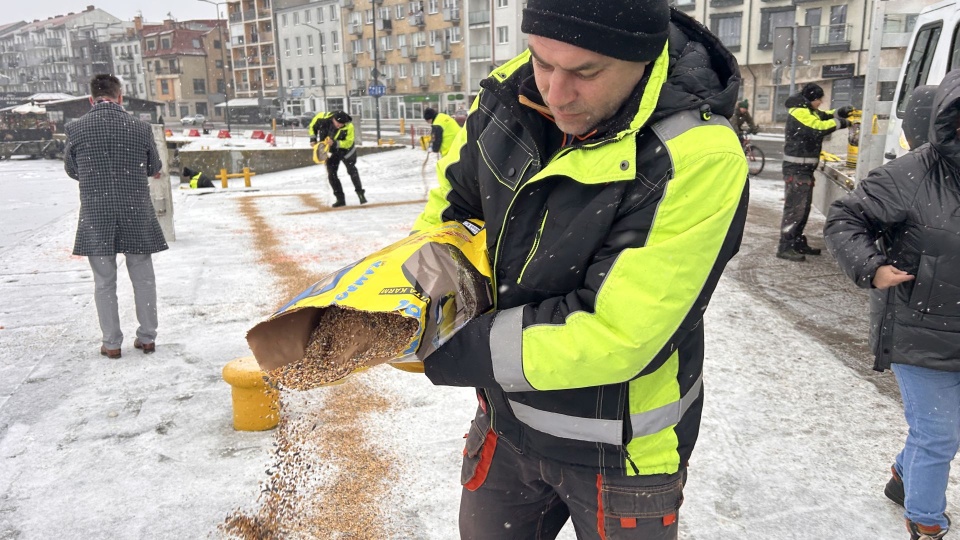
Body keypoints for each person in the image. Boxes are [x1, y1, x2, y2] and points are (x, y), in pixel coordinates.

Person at [410, 0, 749, 537]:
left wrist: (446, 348)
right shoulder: (505, 94)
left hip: (622, 453)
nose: (555, 91)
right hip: (504, 423)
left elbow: (618, 333)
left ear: (642, 58)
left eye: (586, 72)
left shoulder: (697, 155)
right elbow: (451, 218)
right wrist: (412, 303)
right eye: (542, 61)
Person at [824, 72, 960, 540]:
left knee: (940, 428)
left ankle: (904, 475)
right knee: (938, 433)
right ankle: (926, 522)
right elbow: (845, 218)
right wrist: (873, 268)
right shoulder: (912, 173)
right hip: (920, 329)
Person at [64, 74, 165, 358]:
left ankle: (111, 343)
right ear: (120, 97)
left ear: (91, 99)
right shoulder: (140, 127)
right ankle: (147, 337)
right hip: (136, 210)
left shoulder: (76, 128)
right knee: (143, 278)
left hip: (97, 212)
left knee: (104, 281)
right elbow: (153, 166)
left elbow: (72, 170)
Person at [777, 82, 854, 261]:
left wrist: (839, 112)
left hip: (804, 170)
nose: (821, 103)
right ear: (811, 98)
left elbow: (823, 116)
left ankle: (797, 242)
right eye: (819, 99)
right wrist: (841, 123)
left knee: (802, 209)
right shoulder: (799, 112)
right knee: (795, 210)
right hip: (796, 170)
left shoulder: (808, 110)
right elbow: (817, 128)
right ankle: (785, 246)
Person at [324, 111, 366, 207]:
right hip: (334, 152)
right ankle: (340, 199)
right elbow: (324, 134)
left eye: (341, 124)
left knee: (352, 171)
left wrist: (335, 143)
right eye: (337, 123)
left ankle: (360, 193)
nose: (339, 125)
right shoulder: (328, 122)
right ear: (333, 119)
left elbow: (348, 142)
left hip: (347, 152)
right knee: (331, 174)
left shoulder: (349, 126)